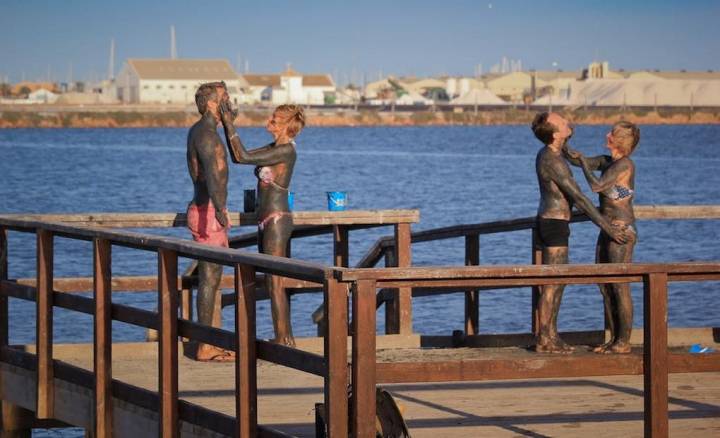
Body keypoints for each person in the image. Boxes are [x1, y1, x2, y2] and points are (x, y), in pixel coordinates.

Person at [532, 112, 629, 353]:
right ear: (556, 134)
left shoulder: (554, 153)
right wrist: (606, 226)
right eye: (562, 122)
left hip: (557, 222)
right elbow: (580, 197)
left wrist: (570, 147)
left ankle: (552, 336)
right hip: (553, 224)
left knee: (559, 282)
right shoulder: (551, 160)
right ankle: (545, 339)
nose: (567, 121)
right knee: (553, 283)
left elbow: (572, 155)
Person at [219, 99, 304, 347]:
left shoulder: (287, 150)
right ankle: (284, 338)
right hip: (264, 220)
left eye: (274, 120)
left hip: (278, 219)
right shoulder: (273, 147)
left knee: (276, 283)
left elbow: (242, 156)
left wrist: (228, 123)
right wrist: (227, 126)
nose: (269, 122)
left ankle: (283, 339)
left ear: (287, 126)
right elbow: (239, 157)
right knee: (270, 281)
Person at [564, 121, 640, 354]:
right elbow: (579, 161)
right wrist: (566, 143)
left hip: (622, 230)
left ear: (619, 140)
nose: (607, 134)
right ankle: (613, 339)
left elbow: (597, 186)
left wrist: (586, 166)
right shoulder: (609, 162)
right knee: (604, 285)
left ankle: (623, 342)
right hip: (607, 228)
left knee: (619, 285)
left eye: (612, 133)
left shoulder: (625, 165)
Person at [186, 81, 235, 361]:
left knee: (212, 277)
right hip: (208, 211)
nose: (230, 103)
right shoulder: (206, 135)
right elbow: (212, 173)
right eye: (225, 98)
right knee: (210, 277)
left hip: (204, 207)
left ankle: (206, 340)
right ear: (213, 104)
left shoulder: (201, 130)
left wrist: (230, 125)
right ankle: (205, 344)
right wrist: (219, 209)